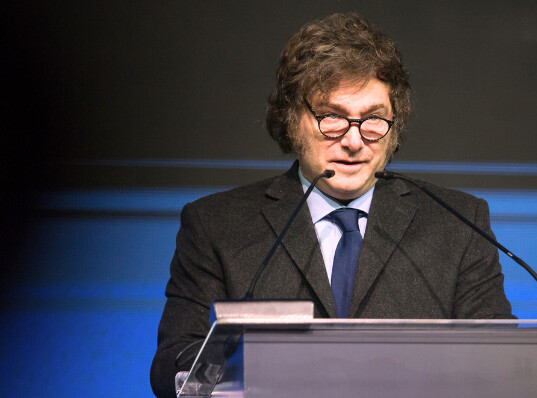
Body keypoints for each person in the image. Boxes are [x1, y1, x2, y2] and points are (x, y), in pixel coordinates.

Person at [150, 12, 514, 398]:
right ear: (293, 120)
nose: (354, 141)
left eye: (373, 119)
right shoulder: (215, 225)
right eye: (332, 118)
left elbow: (502, 361)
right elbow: (174, 364)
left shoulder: (458, 224)